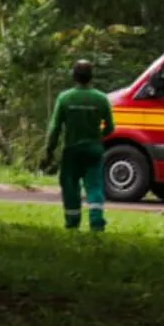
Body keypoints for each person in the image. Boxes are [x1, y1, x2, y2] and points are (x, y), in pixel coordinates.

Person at [41, 60, 115, 232]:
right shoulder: (101, 98)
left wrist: (49, 151)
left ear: (73, 76)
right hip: (94, 150)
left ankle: (72, 222)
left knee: (70, 185)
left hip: (72, 150)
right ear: (91, 77)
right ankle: (96, 223)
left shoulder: (65, 98)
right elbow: (110, 128)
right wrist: (97, 137)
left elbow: (55, 127)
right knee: (95, 185)